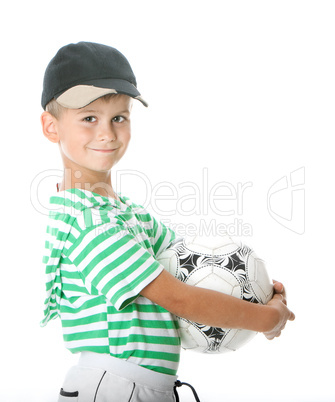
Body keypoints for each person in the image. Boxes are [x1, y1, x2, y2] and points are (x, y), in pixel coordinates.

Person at [40, 41, 295, 402]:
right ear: (52, 128)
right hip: (114, 385)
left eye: (119, 117)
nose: (107, 133)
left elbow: (189, 264)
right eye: (88, 118)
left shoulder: (126, 213)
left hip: (139, 384)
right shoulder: (86, 221)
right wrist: (266, 319)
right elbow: (181, 298)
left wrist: (260, 293)